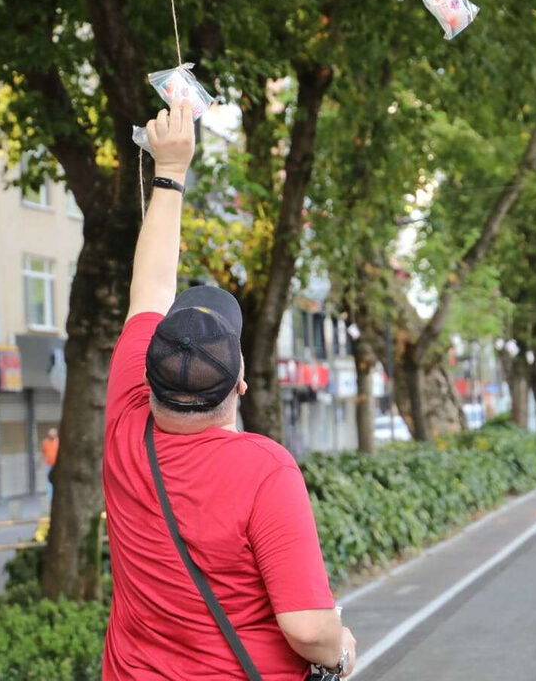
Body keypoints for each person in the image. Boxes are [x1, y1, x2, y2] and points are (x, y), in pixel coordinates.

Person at [102, 100, 356, 680]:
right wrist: (342, 646)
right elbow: (307, 628)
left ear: (146, 375)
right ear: (239, 382)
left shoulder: (125, 423)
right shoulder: (264, 470)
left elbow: (150, 286)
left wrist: (169, 171)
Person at [40, 427, 59, 497]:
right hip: (48, 465)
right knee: (49, 480)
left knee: (57, 480)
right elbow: (44, 453)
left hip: (57, 465)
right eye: (50, 433)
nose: (51, 435)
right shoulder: (45, 442)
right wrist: (43, 463)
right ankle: (50, 495)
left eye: (53, 433)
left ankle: (56, 494)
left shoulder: (58, 442)